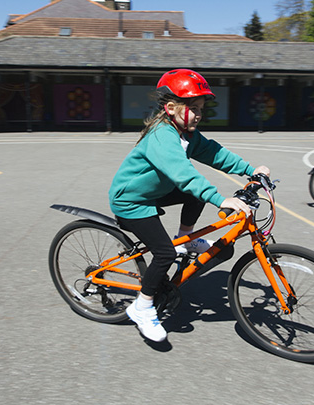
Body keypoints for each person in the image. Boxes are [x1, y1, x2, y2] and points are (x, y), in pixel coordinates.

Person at [109, 68, 270, 342]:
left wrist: (252, 170)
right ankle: (142, 307)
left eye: (201, 108)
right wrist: (221, 199)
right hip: (132, 200)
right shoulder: (162, 135)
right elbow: (184, 174)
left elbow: (215, 153)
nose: (198, 114)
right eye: (193, 108)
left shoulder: (187, 133)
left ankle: (184, 238)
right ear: (171, 108)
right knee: (164, 254)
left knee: (194, 197)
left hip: (155, 192)